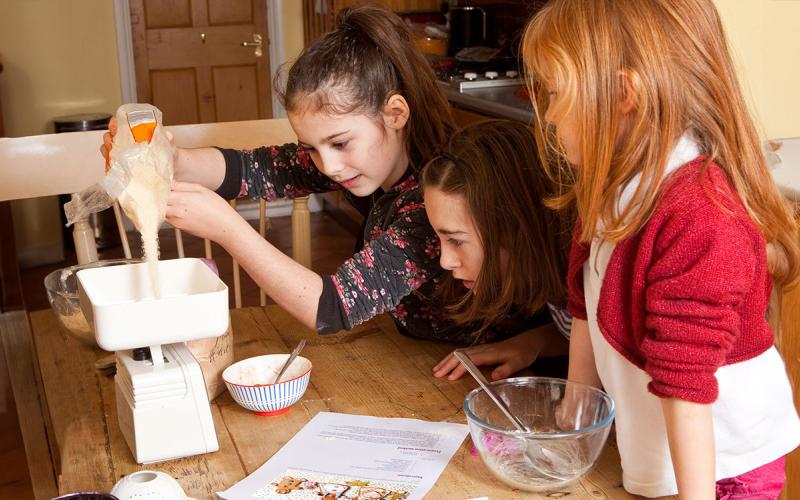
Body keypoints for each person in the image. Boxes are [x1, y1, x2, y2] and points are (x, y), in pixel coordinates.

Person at [101, 5, 554, 351]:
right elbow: (254, 171)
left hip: (464, 367)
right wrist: (168, 160)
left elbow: (330, 308)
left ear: (395, 113)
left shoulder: (431, 203)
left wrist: (227, 229)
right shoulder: (366, 161)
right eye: (313, 147)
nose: (327, 165)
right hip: (410, 349)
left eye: (339, 143)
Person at [521, 0, 800, 498]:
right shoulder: (611, 184)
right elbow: (586, 300)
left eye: (557, 94)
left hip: (722, 468)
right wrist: (574, 420)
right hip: (657, 450)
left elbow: (685, 379)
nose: (547, 116)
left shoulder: (701, 214)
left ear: (625, 93)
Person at [421, 120, 572, 381]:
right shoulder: (554, 274)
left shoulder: (588, 272)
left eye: (456, 240)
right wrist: (533, 342)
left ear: (514, 229)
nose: (445, 261)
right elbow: (581, 332)